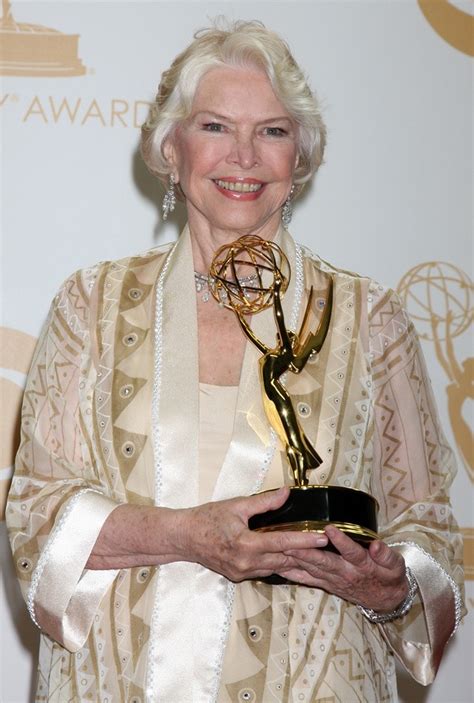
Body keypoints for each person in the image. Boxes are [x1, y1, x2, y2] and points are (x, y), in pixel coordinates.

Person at [6, 20, 464, 703]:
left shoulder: (372, 318)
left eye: (273, 131)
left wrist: (391, 581)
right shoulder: (90, 305)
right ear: (170, 146)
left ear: (300, 158)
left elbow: (429, 527)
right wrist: (192, 536)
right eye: (216, 126)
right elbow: (35, 516)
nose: (244, 156)